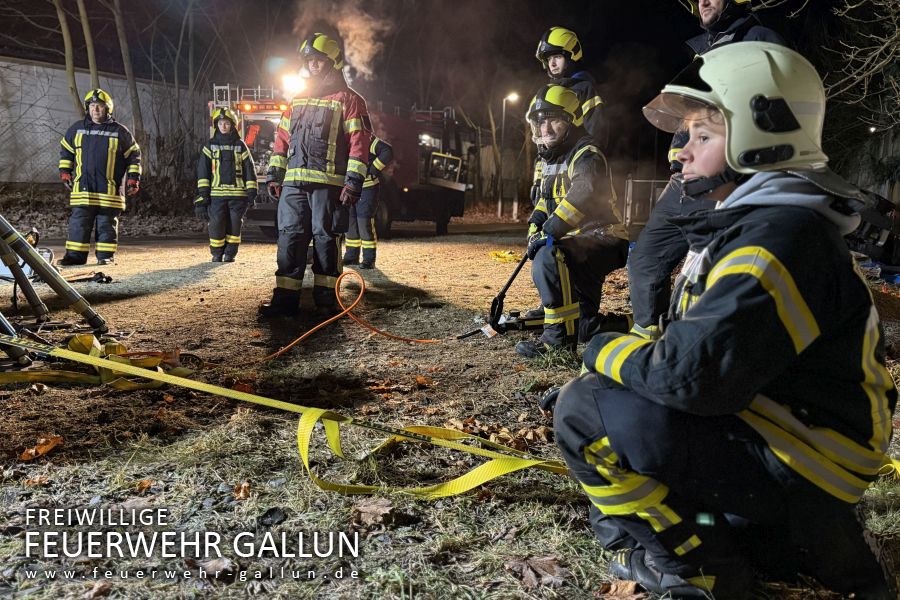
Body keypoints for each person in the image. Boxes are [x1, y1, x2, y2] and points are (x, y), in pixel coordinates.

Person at [553, 42, 897, 599]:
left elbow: (688, 378)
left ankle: (702, 574)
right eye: (683, 134)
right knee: (620, 425)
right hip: (801, 443)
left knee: (584, 411)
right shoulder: (770, 226)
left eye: (702, 135)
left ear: (760, 140)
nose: (680, 152)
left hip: (805, 460)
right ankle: (768, 538)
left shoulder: (777, 240)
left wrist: (601, 351)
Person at [627, 0, 785, 339]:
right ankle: (649, 343)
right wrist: (677, 159)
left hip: (730, 180)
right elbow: (692, 111)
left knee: (712, 277)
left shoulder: (760, 39)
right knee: (644, 260)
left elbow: (779, 111)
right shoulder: (706, 50)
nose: (703, 2)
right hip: (685, 180)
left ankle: (708, 354)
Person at [259, 32, 371, 318]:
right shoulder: (297, 99)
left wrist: (353, 182)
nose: (313, 65)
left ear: (333, 62)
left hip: (328, 185)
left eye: (319, 61)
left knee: (325, 239)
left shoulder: (350, 100)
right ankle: (285, 300)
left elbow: (359, 143)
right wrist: (274, 174)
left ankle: (326, 302)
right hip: (294, 184)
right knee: (290, 238)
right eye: (309, 60)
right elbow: (282, 139)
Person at [516, 85, 629, 359]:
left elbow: (584, 194)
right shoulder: (549, 158)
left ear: (572, 119)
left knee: (547, 256)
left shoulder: (586, 153)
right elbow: (545, 201)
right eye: (540, 121)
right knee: (583, 326)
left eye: (553, 119)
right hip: (577, 241)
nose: (546, 128)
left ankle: (557, 344)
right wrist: (535, 227)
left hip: (603, 238)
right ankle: (633, 324)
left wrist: (550, 232)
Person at [57, 89, 141, 266]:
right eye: (92, 106)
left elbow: (134, 156)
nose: (95, 110)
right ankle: (75, 257)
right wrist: (65, 172)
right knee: (79, 224)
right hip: (83, 188)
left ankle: (105, 256)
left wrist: (134, 178)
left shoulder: (120, 132)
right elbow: (66, 152)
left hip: (109, 190)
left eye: (100, 106)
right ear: (88, 108)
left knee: (106, 224)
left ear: (108, 108)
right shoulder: (76, 130)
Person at [194, 108, 258, 262]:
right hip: (216, 195)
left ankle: (230, 253)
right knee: (216, 225)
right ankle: (217, 253)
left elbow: (249, 168)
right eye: (221, 123)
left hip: (238, 196)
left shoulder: (240, 146)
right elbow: (203, 172)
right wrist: (203, 196)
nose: (223, 126)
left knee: (234, 226)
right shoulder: (210, 146)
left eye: (226, 123)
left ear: (232, 125)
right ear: (217, 125)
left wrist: (251, 192)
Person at [343, 133, 393, 269]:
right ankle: (351, 256)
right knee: (350, 223)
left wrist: (373, 169)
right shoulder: (344, 138)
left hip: (367, 188)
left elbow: (387, 151)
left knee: (364, 222)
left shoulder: (366, 138)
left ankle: (368, 259)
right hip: (349, 188)